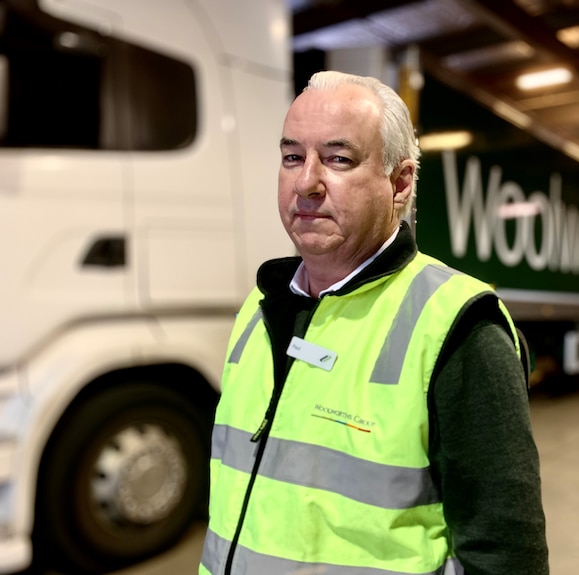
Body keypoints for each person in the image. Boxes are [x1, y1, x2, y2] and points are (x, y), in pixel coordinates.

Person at [200, 70, 549, 575]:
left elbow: (505, 554)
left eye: (339, 159)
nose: (306, 182)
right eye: (292, 156)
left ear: (400, 183)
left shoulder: (457, 326)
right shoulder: (260, 305)